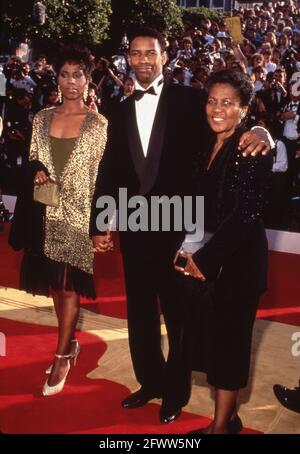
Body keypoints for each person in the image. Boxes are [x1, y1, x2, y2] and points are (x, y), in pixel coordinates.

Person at [90, 28, 273, 425]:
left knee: (180, 319)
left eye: (149, 53)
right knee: (139, 314)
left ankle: (176, 391)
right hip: (136, 229)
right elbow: (110, 171)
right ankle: (150, 383)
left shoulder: (194, 101)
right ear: (128, 57)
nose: (142, 60)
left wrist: (263, 131)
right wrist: (100, 221)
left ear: (164, 55)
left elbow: (233, 119)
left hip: (180, 232)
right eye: (135, 53)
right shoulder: (116, 110)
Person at [174, 70, 273, 434]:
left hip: (238, 265)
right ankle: (228, 418)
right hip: (207, 257)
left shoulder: (251, 148)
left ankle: (219, 429)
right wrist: (187, 250)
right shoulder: (206, 144)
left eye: (228, 103)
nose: (217, 109)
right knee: (213, 342)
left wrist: (206, 260)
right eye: (212, 101)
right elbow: (198, 206)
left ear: (244, 109)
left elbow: (243, 217)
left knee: (230, 345)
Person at [9, 45, 108, 396]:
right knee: (53, 286)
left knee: (68, 287)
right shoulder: (42, 118)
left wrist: (102, 224)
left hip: (78, 217)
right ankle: (70, 343)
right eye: (64, 74)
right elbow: (32, 158)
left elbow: (105, 178)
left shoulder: (99, 125)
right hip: (43, 212)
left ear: (88, 78)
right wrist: (36, 170)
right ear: (57, 77)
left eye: (77, 74)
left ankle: (63, 354)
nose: (70, 81)